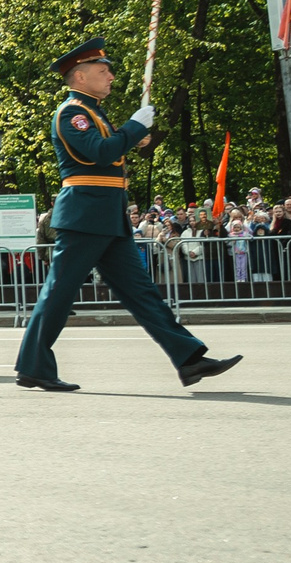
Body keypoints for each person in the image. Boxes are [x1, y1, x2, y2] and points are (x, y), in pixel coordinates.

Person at [15, 38, 241, 391]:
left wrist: (131, 137)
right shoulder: (72, 113)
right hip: (85, 216)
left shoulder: (94, 114)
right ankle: (34, 367)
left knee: (142, 293)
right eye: (102, 72)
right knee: (59, 293)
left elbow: (109, 148)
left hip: (106, 216)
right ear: (79, 77)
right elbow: (100, 153)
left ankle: (189, 359)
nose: (110, 78)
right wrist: (133, 128)